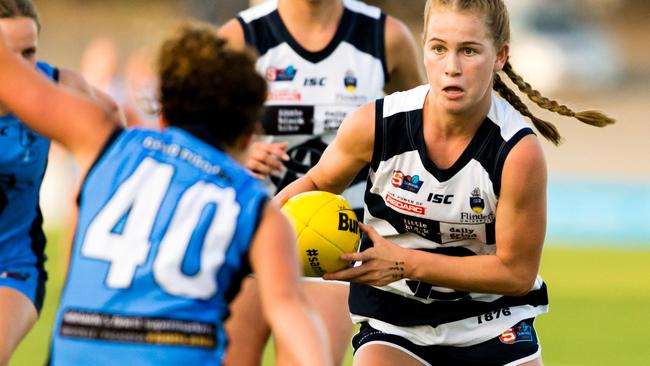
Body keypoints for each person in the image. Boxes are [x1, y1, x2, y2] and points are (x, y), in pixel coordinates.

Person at [274, 0, 616, 365]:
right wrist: (256, 223)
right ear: (424, 47)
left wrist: (406, 263)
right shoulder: (374, 125)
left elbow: (516, 273)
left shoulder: (517, 152)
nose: (451, 68)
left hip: (492, 323)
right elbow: (316, 182)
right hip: (394, 322)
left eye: (469, 51)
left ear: (500, 55)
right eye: (439, 48)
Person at [0, 23, 332, 366]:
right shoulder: (257, 208)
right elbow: (293, 314)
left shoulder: (103, 141)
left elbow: (12, 75)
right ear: (249, 134)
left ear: (163, 113)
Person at [218, 0, 424, 364]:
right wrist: (237, 154)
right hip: (247, 229)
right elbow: (190, 137)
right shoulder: (241, 37)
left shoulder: (385, 37)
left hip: (335, 243)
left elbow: (425, 132)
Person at [0, 1, 121, 363]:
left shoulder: (57, 86)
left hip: (14, 263)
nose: (24, 68)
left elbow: (112, 122)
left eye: (30, 52)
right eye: (9, 55)